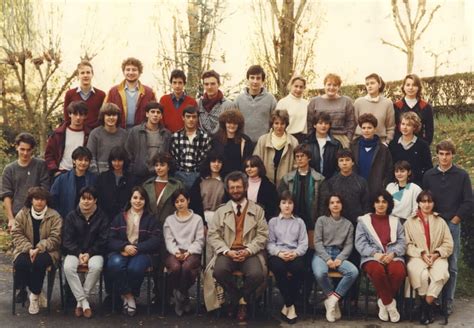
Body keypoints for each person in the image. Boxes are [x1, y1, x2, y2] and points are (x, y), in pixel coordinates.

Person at [204, 171, 268, 322]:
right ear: (228, 189)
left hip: (249, 253)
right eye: (232, 188)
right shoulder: (221, 211)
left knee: (257, 274)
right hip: (228, 252)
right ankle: (239, 299)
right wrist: (226, 251)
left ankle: (238, 301)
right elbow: (213, 235)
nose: (235, 190)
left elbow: (263, 235)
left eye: (238, 187)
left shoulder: (258, 210)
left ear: (245, 187)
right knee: (219, 271)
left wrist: (248, 250)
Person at [422, 140, 473, 313]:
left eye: (447, 154)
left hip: (452, 225)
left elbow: (468, 201)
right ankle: (432, 300)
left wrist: (456, 220)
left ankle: (448, 301)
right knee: (431, 263)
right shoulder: (429, 175)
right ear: (437, 155)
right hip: (433, 224)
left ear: (453, 155)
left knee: (451, 264)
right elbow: (424, 200)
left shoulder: (461, 175)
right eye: (441, 154)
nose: (444, 157)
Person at [107, 186, 161, 317]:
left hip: (142, 253)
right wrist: (124, 247)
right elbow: (110, 238)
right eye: (135, 197)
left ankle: (129, 295)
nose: (138, 201)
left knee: (134, 269)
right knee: (114, 264)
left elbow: (156, 240)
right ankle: (129, 296)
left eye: (141, 198)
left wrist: (137, 248)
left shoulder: (151, 218)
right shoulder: (120, 217)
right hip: (122, 251)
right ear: (130, 199)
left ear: (145, 201)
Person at [355, 190, 406, 323]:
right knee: (377, 271)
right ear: (373, 204)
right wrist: (375, 254)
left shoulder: (396, 221)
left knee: (398, 271)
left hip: (392, 255)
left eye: (384, 201)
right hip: (371, 257)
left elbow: (402, 242)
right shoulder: (364, 221)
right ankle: (390, 304)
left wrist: (393, 253)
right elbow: (360, 243)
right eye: (377, 201)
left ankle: (383, 302)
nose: (381, 204)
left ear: (389, 204)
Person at [405, 191, 454, 325]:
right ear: (419, 203)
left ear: (433, 204)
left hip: (437, 257)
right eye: (423, 201)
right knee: (421, 274)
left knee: (442, 274)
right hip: (417, 256)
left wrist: (437, 254)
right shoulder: (410, 221)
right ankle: (429, 309)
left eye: (429, 201)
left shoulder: (441, 221)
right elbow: (406, 244)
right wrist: (421, 253)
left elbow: (449, 244)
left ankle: (425, 307)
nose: (426, 204)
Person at [11, 187, 62, 315]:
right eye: (36, 199)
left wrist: (39, 248)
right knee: (21, 263)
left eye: (42, 199)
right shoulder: (22, 214)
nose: (39, 202)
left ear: (46, 201)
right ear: (31, 200)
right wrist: (29, 248)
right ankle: (36, 290)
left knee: (39, 262)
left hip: (48, 251)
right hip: (24, 249)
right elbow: (16, 234)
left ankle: (34, 296)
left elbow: (56, 237)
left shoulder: (54, 215)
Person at [62, 186, 109, 318]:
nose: (86, 202)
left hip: (94, 252)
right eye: (83, 198)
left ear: (95, 200)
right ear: (79, 199)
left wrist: (90, 253)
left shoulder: (102, 217)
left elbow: (103, 239)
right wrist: (79, 253)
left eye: (90, 199)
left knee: (96, 266)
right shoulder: (71, 216)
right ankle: (84, 302)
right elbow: (67, 240)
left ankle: (79, 301)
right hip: (75, 252)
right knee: (68, 267)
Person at [312, 194, 359, 322]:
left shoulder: (348, 224)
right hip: (321, 254)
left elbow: (349, 245)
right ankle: (334, 301)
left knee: (353, 271)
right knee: (320, 273)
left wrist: (340, 258)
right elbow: (317, 242)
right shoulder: (321, 220)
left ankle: (332, 300)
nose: (335, 205)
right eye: (332, 202)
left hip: (338, 254)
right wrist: (327, 259)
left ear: (342, 205)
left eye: (338, 202)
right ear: (328, 205)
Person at [267, 191, 308, 324]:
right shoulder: (273, 222)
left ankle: (287, 306)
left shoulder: (300, 222)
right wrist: (279, 253)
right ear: (279, 205)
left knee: (300, 268)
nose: (287, 206)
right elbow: (269, 243)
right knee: (278, 268)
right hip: (277, 254)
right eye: (284, 202)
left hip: (294, 253)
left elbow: (303, 243)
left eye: (290, 203)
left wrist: (295, 253)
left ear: (294, 205)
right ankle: (291, 305)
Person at [163, 189, 205, 316]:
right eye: (177, 202)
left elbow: (199, 240)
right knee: (175, 267)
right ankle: (184, 297)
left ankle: (179, 295)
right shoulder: (169, 220)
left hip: (192, 252)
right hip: (174, 252)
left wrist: (189, 252)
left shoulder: (197, 219)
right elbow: (169, 240)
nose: (180, 204)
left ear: (188, 201)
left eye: (182, 200)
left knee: (187, 267)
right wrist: (176, 252)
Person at [1, 133, 49, 233]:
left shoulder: (40, 165)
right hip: (17, 215)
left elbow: (45, 190)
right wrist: (11, 218)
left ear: (32, 150)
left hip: (38, 215)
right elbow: (6, 195)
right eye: (22, 149)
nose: (25, 153)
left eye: (28, 150)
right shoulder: (9, 169)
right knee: (20, 247)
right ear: (16, 147)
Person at [277, 144, 325, 230]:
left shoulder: (319, 179)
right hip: (292, 221)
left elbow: (322, 204)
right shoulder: (287, 179)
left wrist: (319, 221)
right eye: (297, 156)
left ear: (309, 158)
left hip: (312, 222)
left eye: (302, 156)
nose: (299, 159)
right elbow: (281, 200)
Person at [319, 149, 370, 225]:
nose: (344, 163)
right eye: (341, 160)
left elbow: (366, 205)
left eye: (347, 160)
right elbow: (325, 206)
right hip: (336, 224)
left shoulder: (361, 182)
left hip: (357, 223)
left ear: (352, 162)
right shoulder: (331, 183)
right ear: (338, 163)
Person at [125, 102, 172, 183]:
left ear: (161, 116)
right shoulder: (135, 131)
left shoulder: (166, 134)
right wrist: (133, 168)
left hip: (158, 175)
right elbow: (128, 152)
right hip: (138, 175)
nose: (155, 115)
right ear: (147, 114)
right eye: (152, 112)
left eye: (158, 112)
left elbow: (168, 154)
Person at [307, 73, 356, 148]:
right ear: (324, 85)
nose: (331, 87)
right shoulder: (314, 101)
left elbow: (351, 123)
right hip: (319, 138)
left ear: (339, 87)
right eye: (329, 84)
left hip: (341, 139)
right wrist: (312, 140)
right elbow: (309, 123)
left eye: (335, 85)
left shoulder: (346, 101)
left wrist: (348, 140)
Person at [105, 57, 156, 129]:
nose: (131, 72)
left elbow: (155, 113)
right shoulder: (113, 91)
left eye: (134, 70)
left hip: (141, 132)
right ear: (123, 72)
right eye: (128, 70)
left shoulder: (149, 92)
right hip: (118, 132)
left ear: (139, 72)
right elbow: (105, 113)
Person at [170, 106, 212, 189]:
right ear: (183, 118)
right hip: (179, 175)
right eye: (188, 116)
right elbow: (173, 157)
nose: (191, 119)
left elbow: (207, 158)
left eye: (194, 117)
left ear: (198, 118)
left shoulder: (205, 137)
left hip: (198, 175)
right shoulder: (175, 136)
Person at [45, 101, 91, 176]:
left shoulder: (89, 135)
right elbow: (49, 155)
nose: (78, 117)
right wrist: (55, 170)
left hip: (82, 174)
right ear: (70, 114)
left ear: (85, 116)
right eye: (75, 114)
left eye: (81, 115)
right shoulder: (58, 134)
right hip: (61, 173)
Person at [253, 109, 299, 185]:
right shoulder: (263, 140)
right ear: (272, 124)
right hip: (265, 182)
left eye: (282, 123)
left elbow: (296, 164)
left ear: (286, 124)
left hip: (286, 184)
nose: (279, 126)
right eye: (276, 123)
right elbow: (256, 161)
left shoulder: (293, 142)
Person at [350, 113, 393, 194]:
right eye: (363, 128)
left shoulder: (383, 149)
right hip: (357, 190)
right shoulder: (353, 147)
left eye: (369, 128)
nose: (366, 130)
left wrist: (383, 185)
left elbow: (389, 170)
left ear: (375, 129)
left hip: (376, 191)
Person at [50, 147, 97, 219]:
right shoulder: (61, 179)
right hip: (66, 219)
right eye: (80, 160)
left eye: (86, 160)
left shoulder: (94, 179)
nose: (83, 163)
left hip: (88, 219)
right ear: (74, 161)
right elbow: (53, 200)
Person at [235, 65, 277, 143]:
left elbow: (275, 122)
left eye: (258, 78)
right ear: (247, 79)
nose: (255, 81)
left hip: (264, 143)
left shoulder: (270, 99)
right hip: (243, 143)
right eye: (252, 77)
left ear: (262, 80)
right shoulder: (239, 99)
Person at [388, 111, 432, 186]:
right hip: (397, 185)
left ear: (414, 127)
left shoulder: (422, 145)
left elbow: (428, 168)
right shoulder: (393, 144)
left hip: (416, 185)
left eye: (408, 125)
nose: (404, 127)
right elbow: (389, 167)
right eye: (403, 124)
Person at [142, 152, 184, 227]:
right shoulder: (147, 185)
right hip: (149, 226)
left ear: (168, 167)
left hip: (171, 225)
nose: (159, 168)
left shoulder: (177, 185)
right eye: (156, 165)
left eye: (162, 165)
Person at [96, 146, 135, 223]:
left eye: (120, 160)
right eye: (114, 160)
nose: (117, 163)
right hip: (105, 218)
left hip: (125, 219)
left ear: (125, 161)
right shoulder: (102, 177)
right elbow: (98, 199)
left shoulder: (132, 179)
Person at [211, 108, 254, 177]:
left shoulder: (245, 140)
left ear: (239, 125)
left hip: (239, 177)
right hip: (220, 177)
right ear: (224, 123)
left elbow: (248, 162)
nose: (232, 125)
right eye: (229, 122)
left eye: (235, 123)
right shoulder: (216, 139)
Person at [354, 73, 395, 144]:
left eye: (372, 83)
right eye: (367, 84)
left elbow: (390, 127)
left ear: (379, 85)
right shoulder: (358, 102)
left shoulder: (387, 103)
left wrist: (387, 142)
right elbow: (353, 124)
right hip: (360, 143)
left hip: (380, 143)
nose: (369, 86)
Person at [86, 103, 128, 174]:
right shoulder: (95, 134)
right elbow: (90, 156)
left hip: (119, 174)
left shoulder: (124, 134)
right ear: (103, 117)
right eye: (108, 115)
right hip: (99, 174)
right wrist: (96, 174)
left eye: (114, 115)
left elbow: (127, 157)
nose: (111, 118)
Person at [63, 60, 106, 128]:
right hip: (76, 132)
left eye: (88, 72)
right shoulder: (70, 94)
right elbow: (67, 118)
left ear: (92, 74)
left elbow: (103, 117)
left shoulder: (101, 95)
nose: (85, 75)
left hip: (94, 133)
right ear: (78, 75)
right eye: (82, 73)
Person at [394, 74, 434, 145]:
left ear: (418, 87)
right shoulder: (396, 106)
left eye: (414, 85)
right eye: (408, 85)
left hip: (419, 147)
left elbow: (429, 131)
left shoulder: (426, 107)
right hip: (400, 146)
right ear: (403, 87)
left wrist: (424, 145)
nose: (411, 88)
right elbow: (393, 128)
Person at [189, 150, 226, 224]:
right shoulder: (200, 180)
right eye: (213, 161)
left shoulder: (225, 181)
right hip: (200, 218)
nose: (216, 164)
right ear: (208, 163)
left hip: (220, 219)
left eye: (219, 162)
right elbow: (194, 202)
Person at [303, 111, 341, 179]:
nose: (323, 126)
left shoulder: (336, 144)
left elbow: (339, 166)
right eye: (320, 123)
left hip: (330, 181)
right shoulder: (307, 143)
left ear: (329, 125)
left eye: (326, 123)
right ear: (314, 125)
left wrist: (333, 180)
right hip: (310, 180)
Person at [159, 69, 197, 133]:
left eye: (180, 83)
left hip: (184, 138)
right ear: (171, 83)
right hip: (166, 136)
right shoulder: (164, 100)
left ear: (184, 84)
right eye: (174, 82)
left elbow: (195, 122)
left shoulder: (192, 102)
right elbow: (160, 120)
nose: (177, 86)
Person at [197, 69, 233, 135]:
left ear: (218, 84)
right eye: (206, 84)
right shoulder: (198, 103)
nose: (209, 87)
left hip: (221, 142)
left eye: (213, 84)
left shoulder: (228, 105)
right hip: (202, 142)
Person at [243, 155, 278, 222]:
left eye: (252, 166)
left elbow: (272, 209)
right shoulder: (241, 184)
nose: (249, 169)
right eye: (247, 167)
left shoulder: (269, 187)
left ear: (259, 168)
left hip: (262, 222)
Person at [276, 75, 309, 142]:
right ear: (291, 86)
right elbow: (276, 122)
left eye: (301, 87)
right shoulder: (282, 102)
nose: (298, 89)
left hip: (303, 139)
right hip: (287, 138)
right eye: (296, 86)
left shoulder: (307, 104)